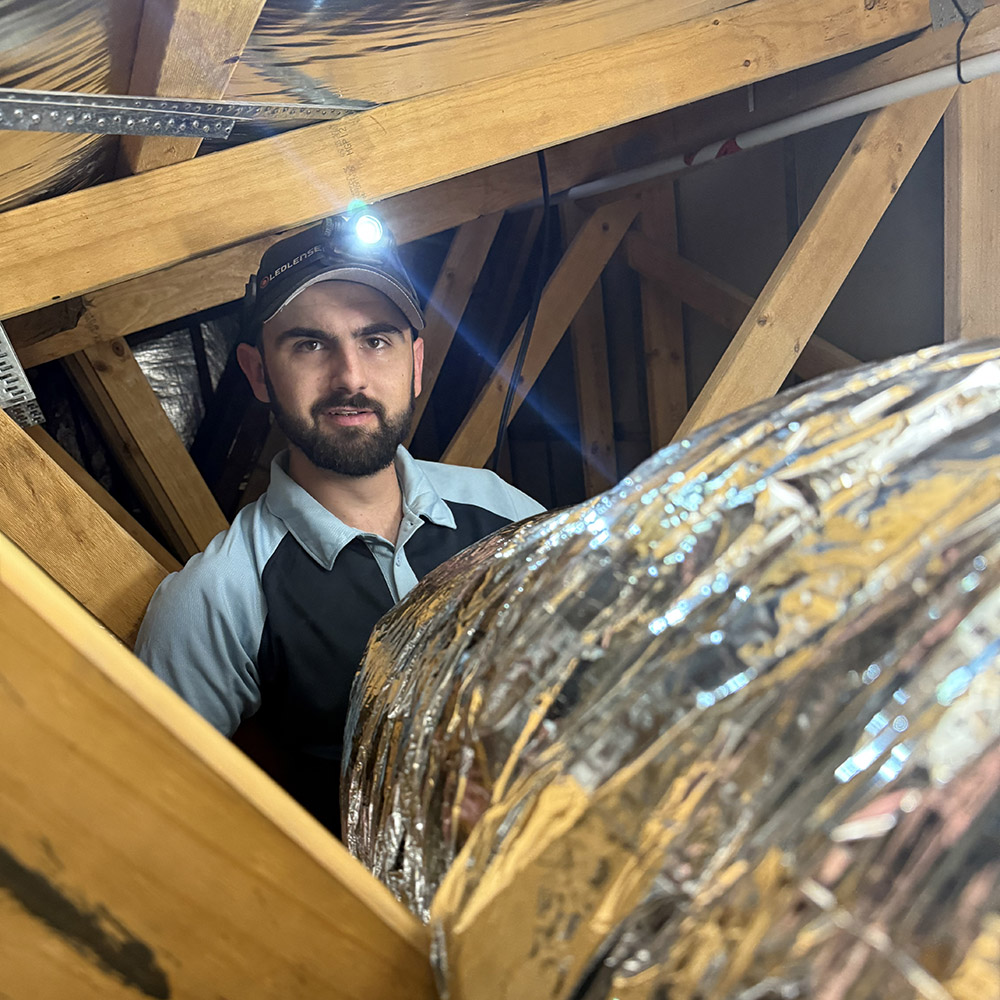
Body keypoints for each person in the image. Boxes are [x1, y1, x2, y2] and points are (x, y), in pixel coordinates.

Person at [135, 211, 544, 835]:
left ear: (414, 361)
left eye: (375, 339)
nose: (350, 378)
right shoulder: (219, 597)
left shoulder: (499, 508)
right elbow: (154, 820)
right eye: (309, 344)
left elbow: (608, 669)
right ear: (256, 372)